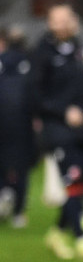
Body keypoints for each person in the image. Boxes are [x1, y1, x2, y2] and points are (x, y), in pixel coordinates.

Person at [29, 4, 83, 260]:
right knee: (74, 178)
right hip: (58, 129)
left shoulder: (81, 50)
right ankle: (81, 238)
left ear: (73, 21)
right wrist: (63, 111)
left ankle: (57, 232)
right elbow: (35, 95)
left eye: (66, 19)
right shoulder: (42, 53)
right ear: (49, 23)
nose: (62, 24)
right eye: (56, 20)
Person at [0, 26, 35, 228]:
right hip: (23, 121)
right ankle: (18, 213)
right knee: (22, 167)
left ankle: (4, 190)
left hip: (3, 119)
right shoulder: (29, 63)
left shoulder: (3, 62)